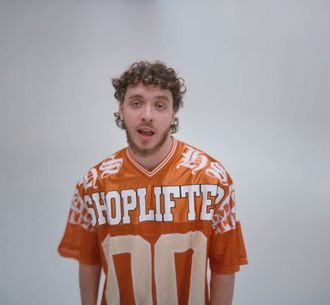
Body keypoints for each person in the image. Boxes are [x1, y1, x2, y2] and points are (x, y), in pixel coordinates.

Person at [58, 61, 247, 305]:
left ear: (173, 113)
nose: (147, 115)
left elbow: (225, 266)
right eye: (136, 102)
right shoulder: (94, 184)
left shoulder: (213, 181)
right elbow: (88, 259)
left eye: (159, 105)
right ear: (121, 108)